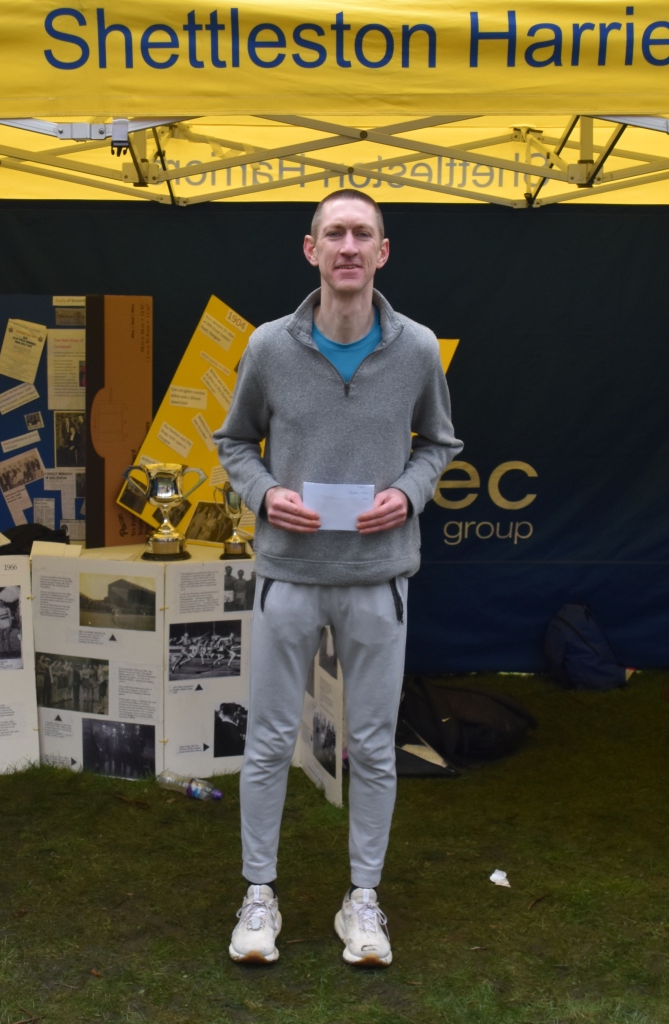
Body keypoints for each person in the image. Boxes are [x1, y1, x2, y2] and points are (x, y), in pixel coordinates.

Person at [214, 189, 462, 967]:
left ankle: (363, 899)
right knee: (267, 741)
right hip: (288, 574)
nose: (347, 246)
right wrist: (264, 493)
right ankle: (259, 894)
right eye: (334, 234)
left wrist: (408, 492)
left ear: (381, 252)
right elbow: (233, 442)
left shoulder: (417, 348)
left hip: (377, 577)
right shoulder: (267, 347)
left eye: (361, 234)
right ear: (310, 249)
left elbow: (439, 444)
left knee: (374, 747)